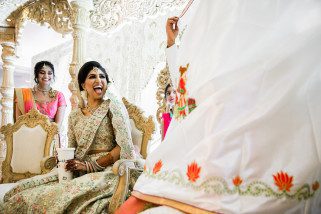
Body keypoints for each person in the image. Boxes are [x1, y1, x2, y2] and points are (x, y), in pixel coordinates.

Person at [118, 0, 321, 213]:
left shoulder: (278, 86)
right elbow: (186, 86)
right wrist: (171, 44)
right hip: (199, 165)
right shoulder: (205, 88)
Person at [1, 61, 137, 213]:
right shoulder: (74, 116)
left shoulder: (112, 107)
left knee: (60, 198)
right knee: (23, 192)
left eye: (102, 76)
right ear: (83, 85)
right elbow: (72, 150)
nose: (99, 80)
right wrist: (65, 162)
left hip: (106, 169)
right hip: (77, 168)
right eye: (92, 76)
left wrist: (91, 166)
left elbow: (123, 145)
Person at [14, 61, 67, 128]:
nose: (46, 76)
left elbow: (58, 125)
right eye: (42, 73)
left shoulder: (59, 96)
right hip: (27, 135)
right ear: (36, 75)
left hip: (51, 135)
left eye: (50, 73)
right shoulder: (23, 94)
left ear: (53, 76)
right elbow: (18, 123)